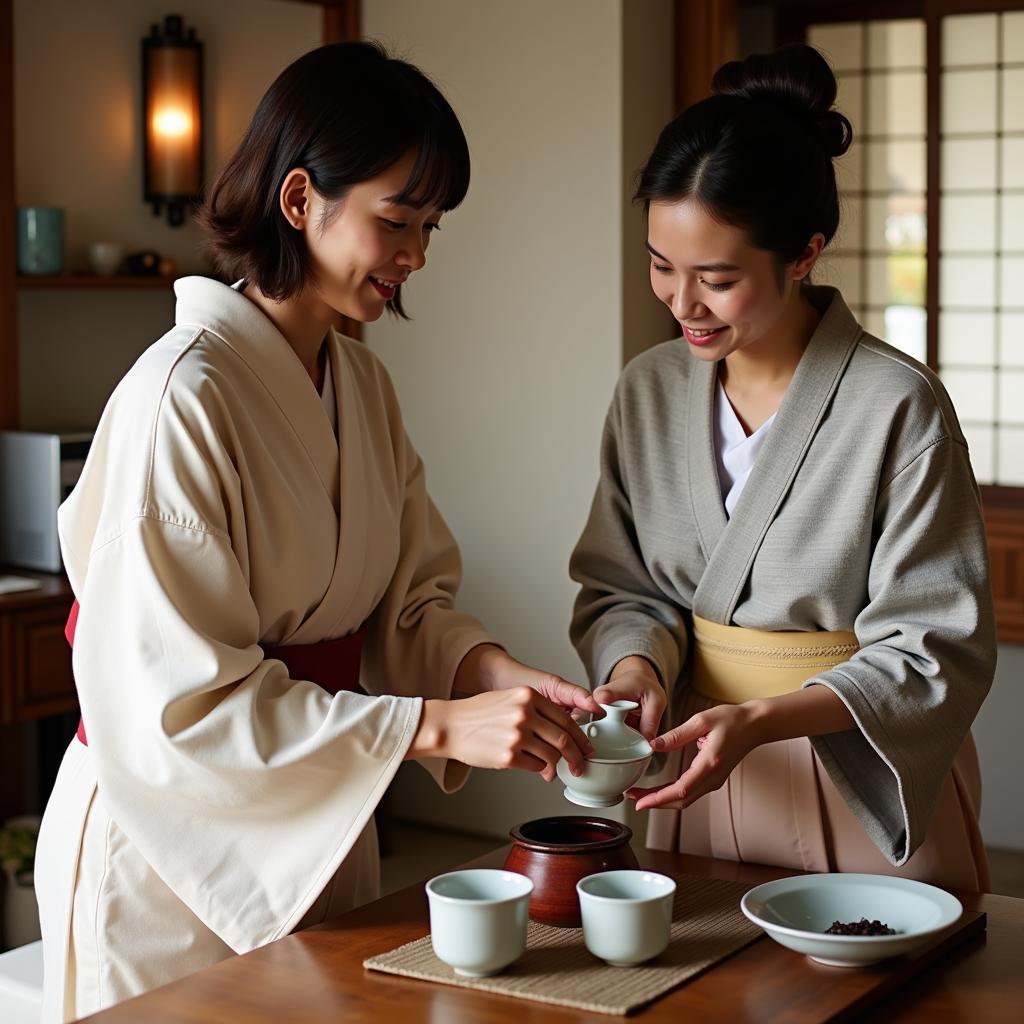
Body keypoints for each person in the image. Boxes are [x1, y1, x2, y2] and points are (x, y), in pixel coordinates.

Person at [35, 42, 598, 1022]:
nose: (417, 255)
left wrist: (490, 678)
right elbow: (183, 705)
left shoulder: (363, 386)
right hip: (162, 848)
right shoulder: (181, 396)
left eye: (431, 227)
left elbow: (408, 600)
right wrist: (431, 723)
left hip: (317, 815)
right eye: (397, 220)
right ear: (299, 199)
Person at [569, 44, 995, 893]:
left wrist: (764, 720)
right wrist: (636, 672)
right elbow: (625, 589)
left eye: (716, 279)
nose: (681, 303)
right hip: (695, 766)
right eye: (660, 265)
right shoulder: (647, 391)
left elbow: (933, 645)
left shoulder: (898, 406)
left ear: (804, 254)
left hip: (856, 771)